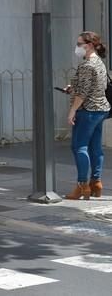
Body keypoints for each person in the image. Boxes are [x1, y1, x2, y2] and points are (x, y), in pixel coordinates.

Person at [63, 31, 110, 200]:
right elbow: (94, 85)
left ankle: (82, 186)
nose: (77, 47)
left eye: (79, 44)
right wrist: (72, 87)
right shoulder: (99, 62)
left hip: (88, 110)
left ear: (89, 45)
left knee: (78, 146)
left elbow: (82, 94)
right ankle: (96, 183)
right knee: (95, 147)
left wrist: (72, 111)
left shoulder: (87, 65)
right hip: (101, 109)